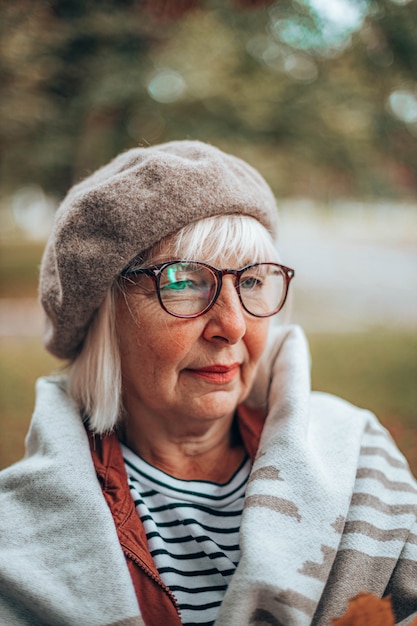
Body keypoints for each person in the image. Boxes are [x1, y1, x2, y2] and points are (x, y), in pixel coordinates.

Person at [0, 141, 416, 626]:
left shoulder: (357, 459)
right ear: (104, 317)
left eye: (253, 281)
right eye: (182, 281)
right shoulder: (18, 537)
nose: (234, 325)